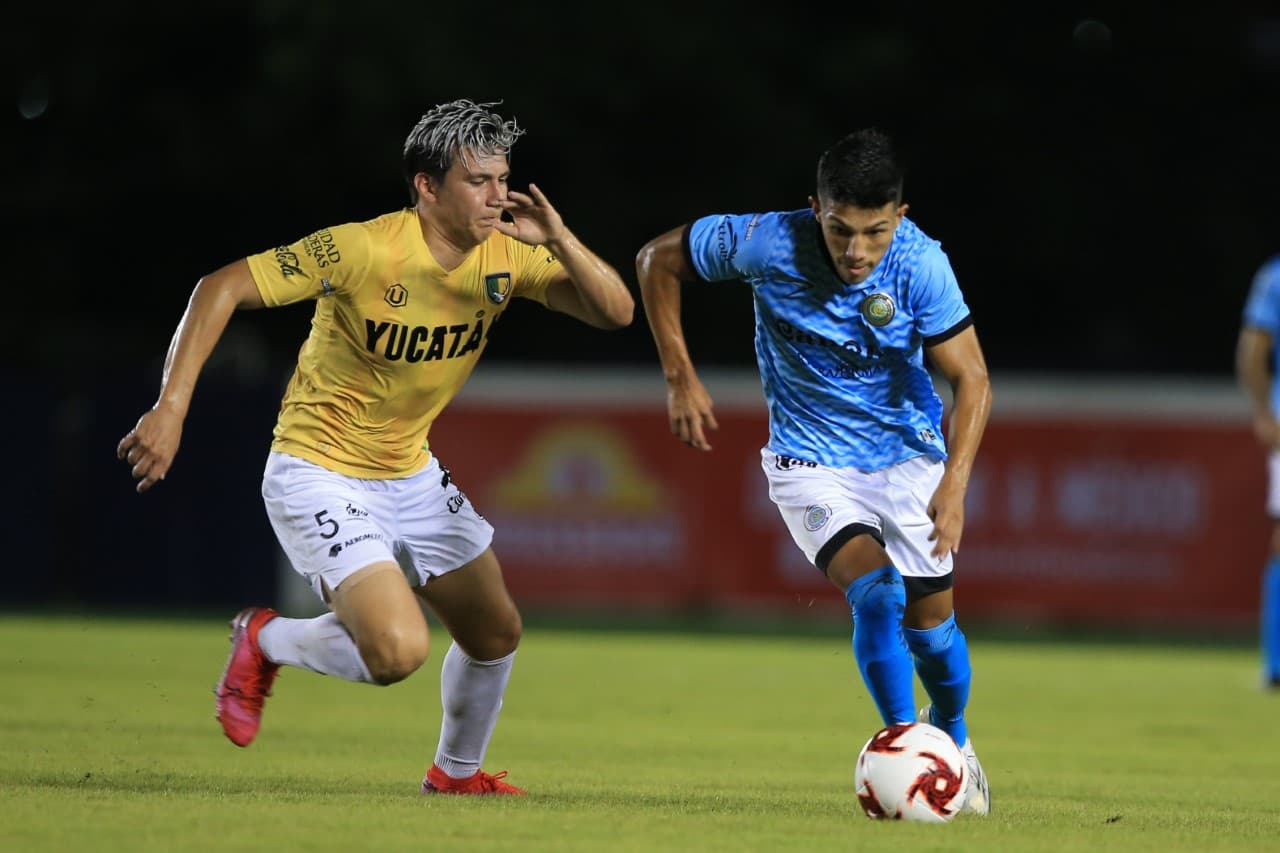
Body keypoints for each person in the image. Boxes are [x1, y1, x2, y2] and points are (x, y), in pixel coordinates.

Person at [116, 99, 634, 795]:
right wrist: (170, 406)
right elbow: (222, 285)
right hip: (318, 469)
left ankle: (454, 775)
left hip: (409, 470)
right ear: (427, 187)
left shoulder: (508, 254)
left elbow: (616, 311)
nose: (496, 195)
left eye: (501, 178)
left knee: (495, 632)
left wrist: (561, 238)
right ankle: (265, 638)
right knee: (397, 651)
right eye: (477, 180)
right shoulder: (363, 248)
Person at [634, 128, 992, 814]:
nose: (856, 251)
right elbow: (656, 260)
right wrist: (680, 376)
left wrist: (955, 484)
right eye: (839, 230)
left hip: (908, 459)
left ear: (901, 217)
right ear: (814, 208)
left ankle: (954, 737)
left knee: (934, 637)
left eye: (875, 232)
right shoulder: (769, 241)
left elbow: (972, 379)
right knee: (878, 594)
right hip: (809, 460)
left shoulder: (921, 266)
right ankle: (905, 745)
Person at [1235, 254, 1280, 690]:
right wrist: (1266, 412)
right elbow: (1254, 349)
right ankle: (1277, 664)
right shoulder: (1274, 277)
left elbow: (1252, 347)